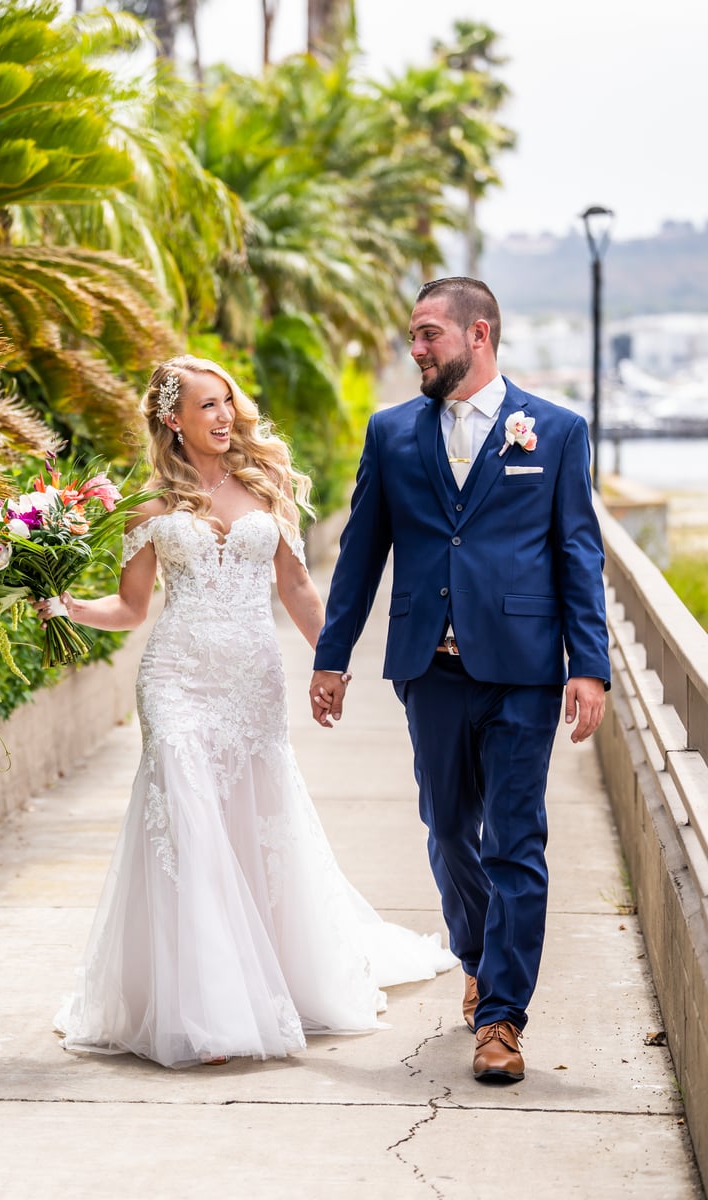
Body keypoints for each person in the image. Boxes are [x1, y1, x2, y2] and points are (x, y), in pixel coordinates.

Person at [39, 353, 456, 1069]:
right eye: (207, 405)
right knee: (187, 820)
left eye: (228, 401)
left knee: (252, 818)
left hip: (252, 680)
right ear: (173, 419)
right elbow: (133, 608)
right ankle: (205, 1009)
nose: (224, 415)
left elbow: (297, 587)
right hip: (176, 678)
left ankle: (268, 974)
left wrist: (332, 663)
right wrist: (66, 606)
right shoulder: (150, 508)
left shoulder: (266, 486)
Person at [310, 278, 610, 1083]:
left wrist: (589, 665)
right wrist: (332, 656)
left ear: (479, 335)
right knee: (447, 829)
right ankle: (476, 954)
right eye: (413, 335)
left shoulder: (555, 431)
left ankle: (503, 1018)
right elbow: (361, 553)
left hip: (523, 669)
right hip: (429, 670)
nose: (416, 348)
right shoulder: (391, 433)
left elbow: (578, 552)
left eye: (428, 334)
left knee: (515, 839)